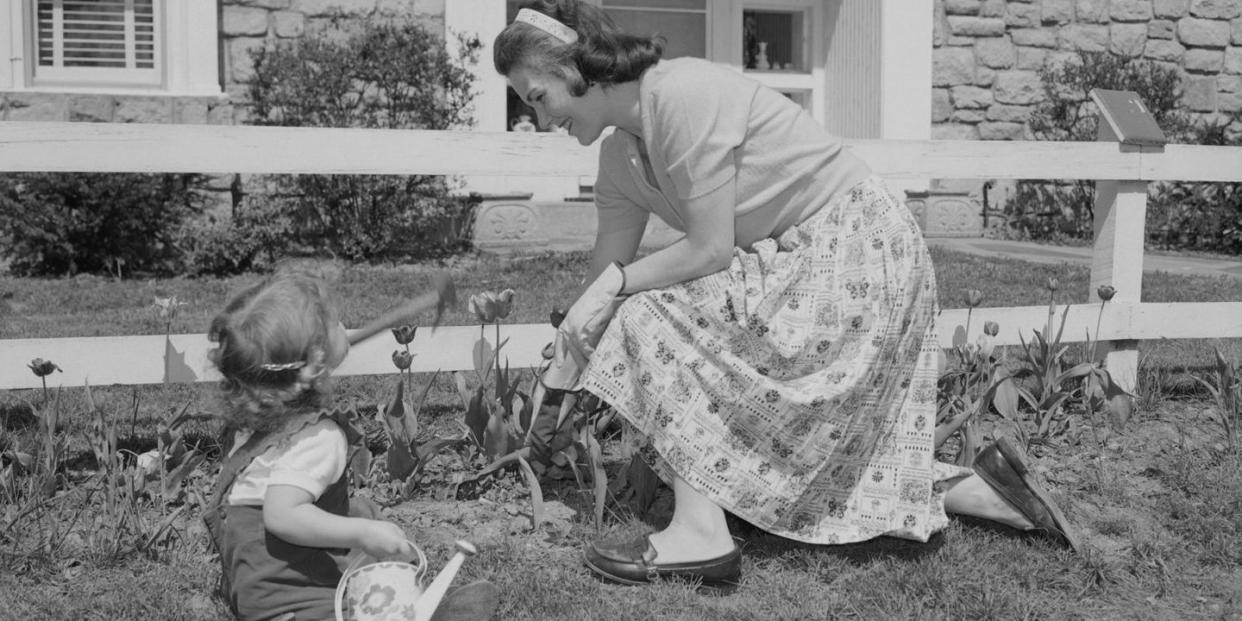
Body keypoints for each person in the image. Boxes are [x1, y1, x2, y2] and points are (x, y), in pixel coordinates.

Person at [494, 0, 1080, 591]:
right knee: (691, 360)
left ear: (576, 69)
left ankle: (701, 535)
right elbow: (605, 275)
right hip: (797, 263)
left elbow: (707, 250)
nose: (542, 121)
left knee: (648, 316)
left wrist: (617, 291)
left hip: (859, 251)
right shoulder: (620, 157)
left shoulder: (679, 92)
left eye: (538, 97)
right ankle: (984, 491)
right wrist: (567, 358)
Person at [202, 270, 497, 620]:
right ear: (313, 362)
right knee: (363, 523)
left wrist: (360, 519)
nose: (344, 327)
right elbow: (282, 514)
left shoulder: (256, 428)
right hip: (298, 607)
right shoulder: (317, 437)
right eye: (336, 322)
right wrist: (364, 533)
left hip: (256, 593)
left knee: (361, 508)